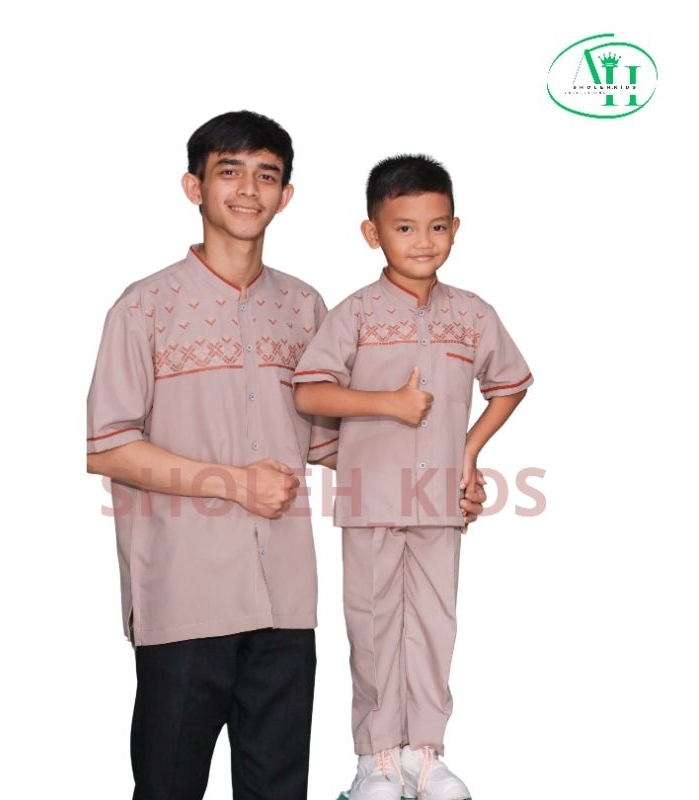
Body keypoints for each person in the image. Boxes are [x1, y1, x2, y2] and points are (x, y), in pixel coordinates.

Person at [86, 113, 487, 800]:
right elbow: (108, 446)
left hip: (286, 607)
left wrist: (442, 480)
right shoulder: (144, 308)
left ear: (285, 195)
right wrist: (232, 483)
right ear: (195, 187)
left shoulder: (306, 309)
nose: (249, 189)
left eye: (266, 175)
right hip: (184, 600)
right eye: (230, 172)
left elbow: (338, 445)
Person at [293, 154, 532, 800]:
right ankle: (374, 759)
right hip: (369, 498)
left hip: (440, 501)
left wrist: (468, 451)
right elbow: (310, 390)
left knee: (433, 626)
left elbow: (510, 383)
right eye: (404, 228)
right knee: (372, 627)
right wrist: (389, 405)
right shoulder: (355, 314)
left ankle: (424, 755)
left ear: (455, 228)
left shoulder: (472, 314)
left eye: (436, 227)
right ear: (372, 233)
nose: (423, 241)